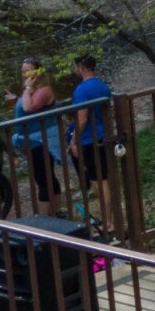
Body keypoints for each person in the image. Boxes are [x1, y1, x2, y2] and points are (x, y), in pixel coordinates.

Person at [68, 54, 115, 231]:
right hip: (104, 136)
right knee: (103, 179)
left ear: (81, 67)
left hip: (90, 140)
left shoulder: (81, 91)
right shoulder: (103, 86)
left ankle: (109, 223)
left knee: (98, 181)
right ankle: (110, 220)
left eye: (76, 66)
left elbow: (82, 119)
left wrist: (73, 140)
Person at [12, 57, 61, 216]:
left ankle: (44, 221)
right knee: (46, 178)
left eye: (28, 70)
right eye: (23, 71)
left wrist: (26, 89)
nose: (25, 74)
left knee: (43, 179)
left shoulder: (43, 90)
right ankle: (56, 214)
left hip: (41, 142)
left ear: (38, 71)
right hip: (32, 142)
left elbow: (28, 107)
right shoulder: (33, 89)